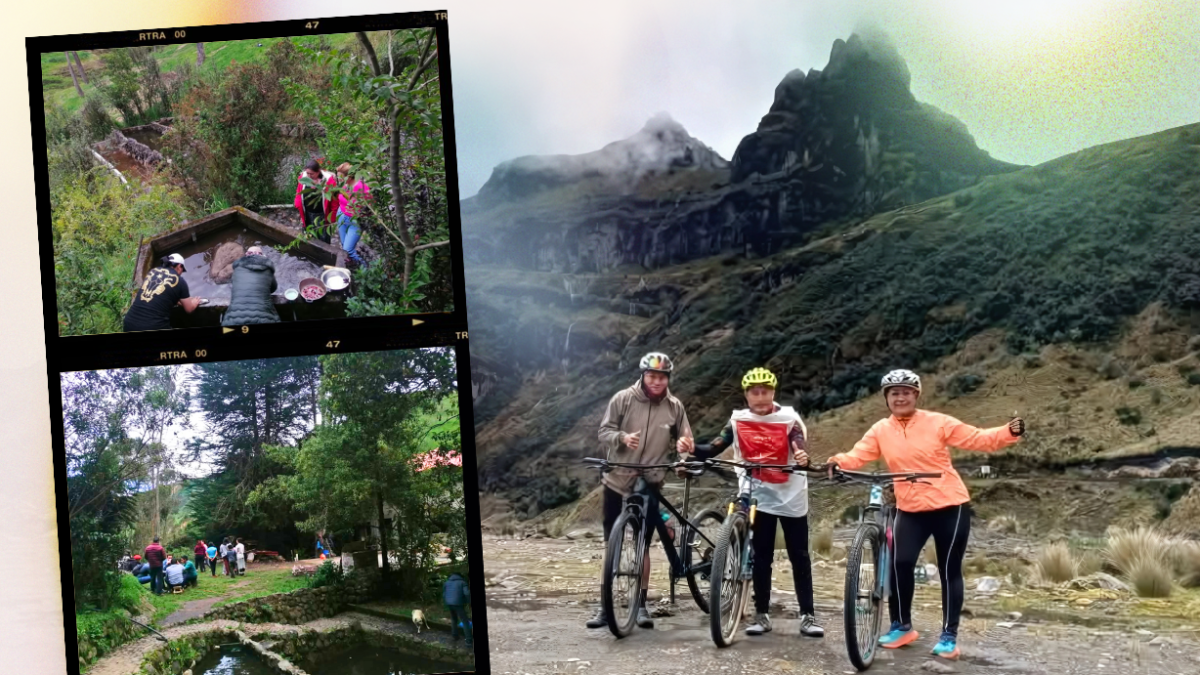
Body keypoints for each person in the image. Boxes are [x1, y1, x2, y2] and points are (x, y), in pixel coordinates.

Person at [826, 369, 1026, 660]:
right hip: (910, 509)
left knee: (948, 570)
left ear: (916, 395)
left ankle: (948, 636)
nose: (900, 397)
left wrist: (1008, 432)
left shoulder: (938, 422)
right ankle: (902, 626)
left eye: (906, 392)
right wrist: (838, 461)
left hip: (950, 505)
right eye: (894, 393)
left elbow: (978, 439)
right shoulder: (881, 429)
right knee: (900, 563)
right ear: (887, 398)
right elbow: (859, 454)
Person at [684, 367, 824, 638]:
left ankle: (808, 616)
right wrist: (692, 448)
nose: (760, 397)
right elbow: (714, 447)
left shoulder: (788, 418)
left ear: (773, 392)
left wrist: (801, 454)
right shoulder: (738, 420)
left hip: (791, 493)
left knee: (799, 555)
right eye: (754, 392)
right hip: (759, 492)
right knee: (762, 556)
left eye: (765, 391)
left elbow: (798, 441)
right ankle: (762, 614)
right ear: (746, 395)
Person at [585, 351, 694, 630]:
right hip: (617, 477)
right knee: (613, 544)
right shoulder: (623, 398)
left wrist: (683, 458)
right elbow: (604, 431)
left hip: (651, 480)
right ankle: (605, 608)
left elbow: (685, 440)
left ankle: (641, 605)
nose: (656, 381)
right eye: (652, 376)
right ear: (643, 375)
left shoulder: (674, 406)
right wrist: (621, 437)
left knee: (642, 544)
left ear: (667, 378)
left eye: (661, 377)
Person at [123, 254, 205, 333]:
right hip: (154, 326)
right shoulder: (179, 280)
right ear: (179, 266)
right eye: (182, 270)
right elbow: (189, 309)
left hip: (128, 324)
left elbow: (160, 295)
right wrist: (195, 302)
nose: (181, 273)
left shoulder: (152, 272)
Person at [221, 246, 280, 326]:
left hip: (232, 321)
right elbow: (273, 288)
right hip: (265, 318)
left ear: (246, 256)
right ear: (262, 256)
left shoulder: (237, 269)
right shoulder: (268, 269)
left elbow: (235, 286)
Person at [294, 159, 338, 243]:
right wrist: (297, 203)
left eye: (312, 174)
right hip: (307, 213)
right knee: (309, 234)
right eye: (308, 173)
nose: (309, 176)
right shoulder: (303, 178)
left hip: (322, 215)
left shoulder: (328, 181)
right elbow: (298, 192)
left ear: (318, 171)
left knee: (323, 237)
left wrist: (332, 218)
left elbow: (334, 201)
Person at [335, 162, 369, 265]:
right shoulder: (345, 184)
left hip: (355, 221)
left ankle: (365, 268)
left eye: (341, 178)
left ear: (349, 177)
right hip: (341, 215)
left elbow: (370, 208)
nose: (339, 180)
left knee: (348, 249)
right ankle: (349, 261)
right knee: (343, 243)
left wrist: (361, 216)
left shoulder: (362, 188)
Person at [443, 572, 473, 647]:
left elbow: (444, 594)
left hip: (449, 603)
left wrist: (447, 601)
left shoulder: (446, 583)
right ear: (460, 576)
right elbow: (467, 593)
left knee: (454, 619)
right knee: (465, 621)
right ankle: (469, 641)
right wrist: (469, 602)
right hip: (458, 604)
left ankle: (455, 636)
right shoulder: (462, 582)